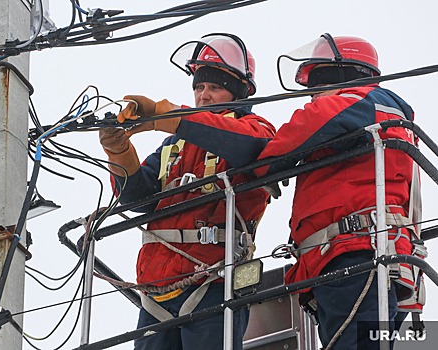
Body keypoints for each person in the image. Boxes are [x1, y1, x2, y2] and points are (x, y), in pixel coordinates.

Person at [98, 33, 275, 349]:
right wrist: (120, 152)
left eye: (214, 87)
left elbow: (246, 145)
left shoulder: (256, 129)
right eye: (199, 87)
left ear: (240, 92)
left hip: (214, 281)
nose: (203, 95)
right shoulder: (174, 145)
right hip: (157, 290)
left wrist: (169, 117)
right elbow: (136, 198)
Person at [254, 34, 426, 349]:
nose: (311, 99)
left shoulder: (369, 101)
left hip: (356, 253)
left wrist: (264, 165)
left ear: (342, 76)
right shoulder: (356, 125)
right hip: (345, 258)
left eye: (317, 86)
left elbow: (314, 119)